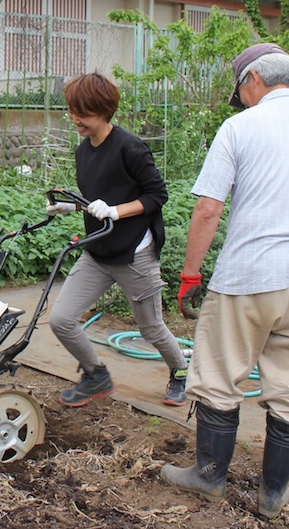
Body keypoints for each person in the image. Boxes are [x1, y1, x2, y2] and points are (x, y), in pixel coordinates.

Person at [160, 43, 289, 519]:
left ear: (253, 79)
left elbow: (209, 207)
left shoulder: (240, 127)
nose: (242, 100)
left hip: (250, 276)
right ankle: (274, 493)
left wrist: (190, 274)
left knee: (218, 375)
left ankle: (209, 476)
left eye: (242, 92)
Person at [45, 72, 189, 408]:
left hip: (134, 252)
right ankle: (96, 374)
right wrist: (68, 206)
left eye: (83, 112)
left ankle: (180, 371)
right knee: (61, 320)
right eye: (71, 111)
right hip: (97, 251)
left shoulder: (130, 148)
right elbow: (95, 198)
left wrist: (116, 211)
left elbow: (157, 195)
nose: (75, 119)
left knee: (151, 328)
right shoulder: (83, 152)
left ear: (104, 110)